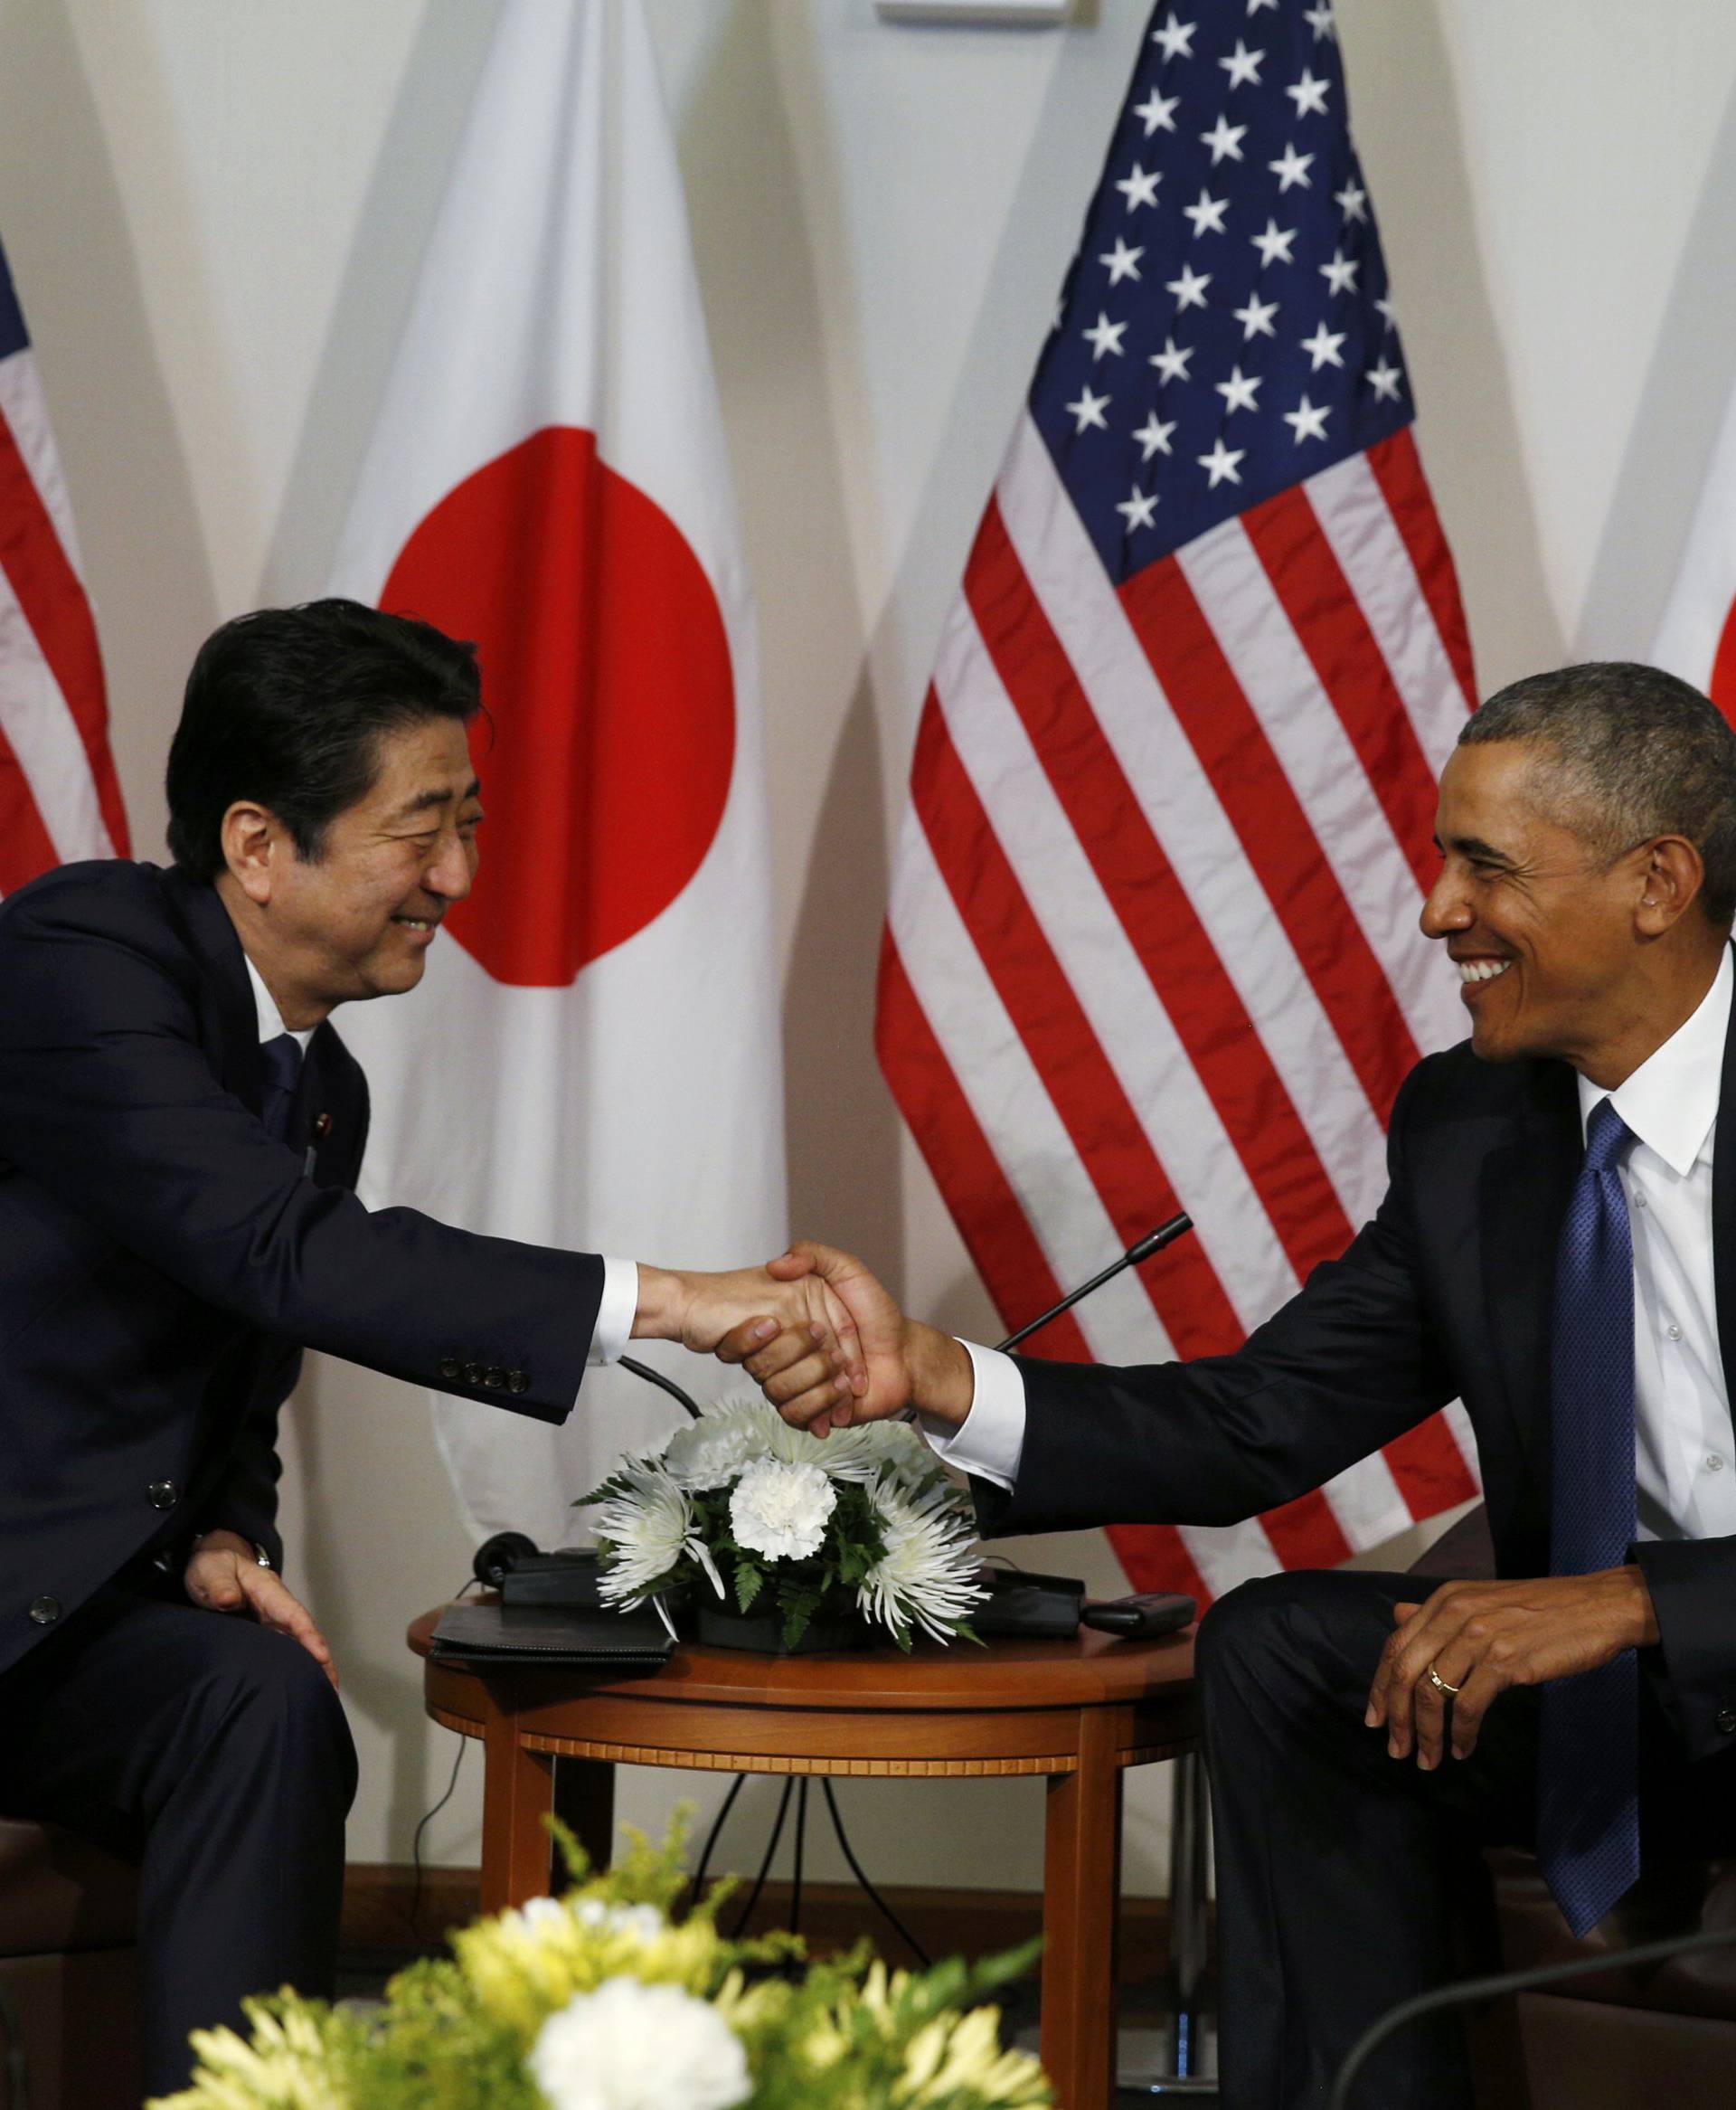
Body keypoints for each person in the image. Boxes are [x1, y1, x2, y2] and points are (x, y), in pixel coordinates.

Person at [725, 662, 1736, 2108]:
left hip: (1677, 1634)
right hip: (1628, 1701)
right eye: (1444, 858)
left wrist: (1636, 1600)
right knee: (1279, 1648)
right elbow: (1260, 1421)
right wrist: (941, 1377)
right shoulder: (1474, 1126)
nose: (1441, 909)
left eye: (1484, 865)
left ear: (1659, 881)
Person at [0, 599, 862, 2096]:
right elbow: (284, 1252)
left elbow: (239, 1359)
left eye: (469, 823)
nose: (458, 875)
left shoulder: (318, 1084)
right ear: (260, 844)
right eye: (424, 830)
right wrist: (681, 1299)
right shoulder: (81, 958)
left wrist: (221, 1525)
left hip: (50, 1628)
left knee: (256, 1700)